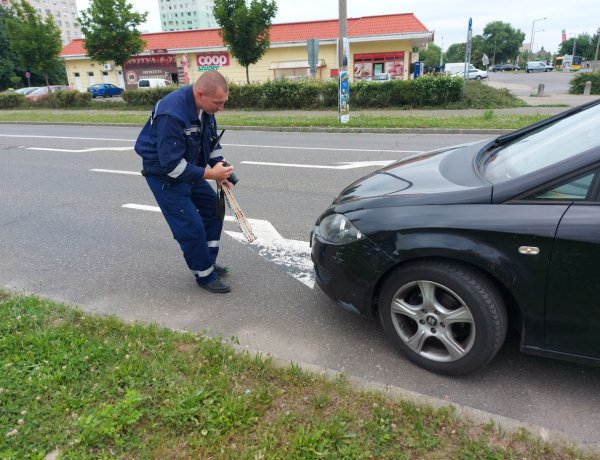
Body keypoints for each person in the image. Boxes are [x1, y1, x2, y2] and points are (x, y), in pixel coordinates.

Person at [134, 71, 233, 293]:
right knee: (191, 226)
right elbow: (171, 165)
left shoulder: (205, 108)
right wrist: (211, 175)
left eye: (224, 103)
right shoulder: (172, 113)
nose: (221, 108)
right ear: (200, 93)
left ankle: (207, 261)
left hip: (188, 170)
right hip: (164, 176)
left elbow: (211, 142)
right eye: (218, 103)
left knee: (214, 211)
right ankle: (204, 275)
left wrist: (222, 169)